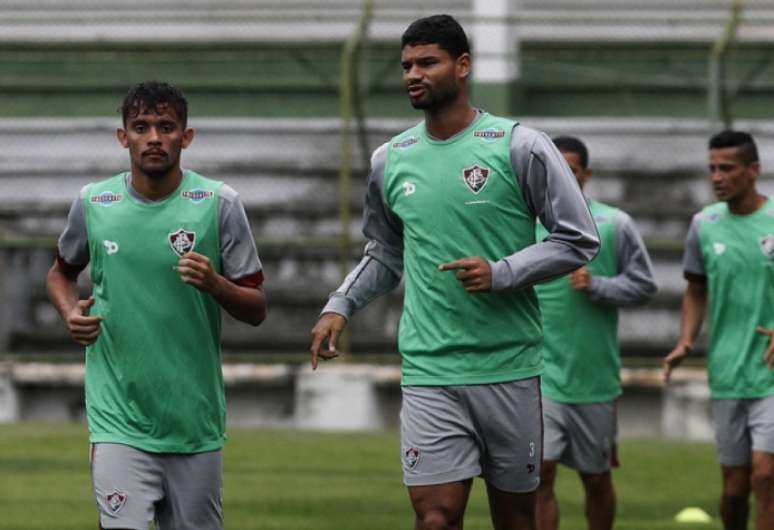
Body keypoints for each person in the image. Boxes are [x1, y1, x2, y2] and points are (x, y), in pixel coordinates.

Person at [309, 15, 599, 530]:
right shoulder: (389, 160)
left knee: (515, 520)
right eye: (406, 66)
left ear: (463, 66)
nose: (412, 75)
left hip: (508, 364)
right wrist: (340, 304)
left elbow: (578, 238)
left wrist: (504, 271)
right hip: (430, 368)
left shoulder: (520, 146)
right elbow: (384, 252)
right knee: (436, 518)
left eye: (427, 62)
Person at [46, 81, 267, 530]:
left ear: (186, 137)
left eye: (165, 127)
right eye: (141, 127)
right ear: (122, 136)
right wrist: (70, 312)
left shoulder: (219, 203)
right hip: (117, 421)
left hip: (193, 422)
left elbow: (256, 307)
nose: (153, 137)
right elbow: (60, 273)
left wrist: (215, 284)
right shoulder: (94, 203)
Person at [534, 136, 656, 530]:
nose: (563, 178)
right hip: (538, 375)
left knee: (597, 478)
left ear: (586, 174)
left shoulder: (614, 224)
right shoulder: (523, 223)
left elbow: (644, 285)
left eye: (571, 170)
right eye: (556, 169)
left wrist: (599, 285)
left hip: (593, 378)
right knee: (540, 475)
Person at [663, 130, 774, 530]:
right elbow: (696, 288)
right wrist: (686, 339)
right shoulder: (704, 224)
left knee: (766, 475)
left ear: (754, 170)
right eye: (712, 168)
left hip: (771, 372)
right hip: (727, 369)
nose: (717, 176)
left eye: (727, 168)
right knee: (734, 486)